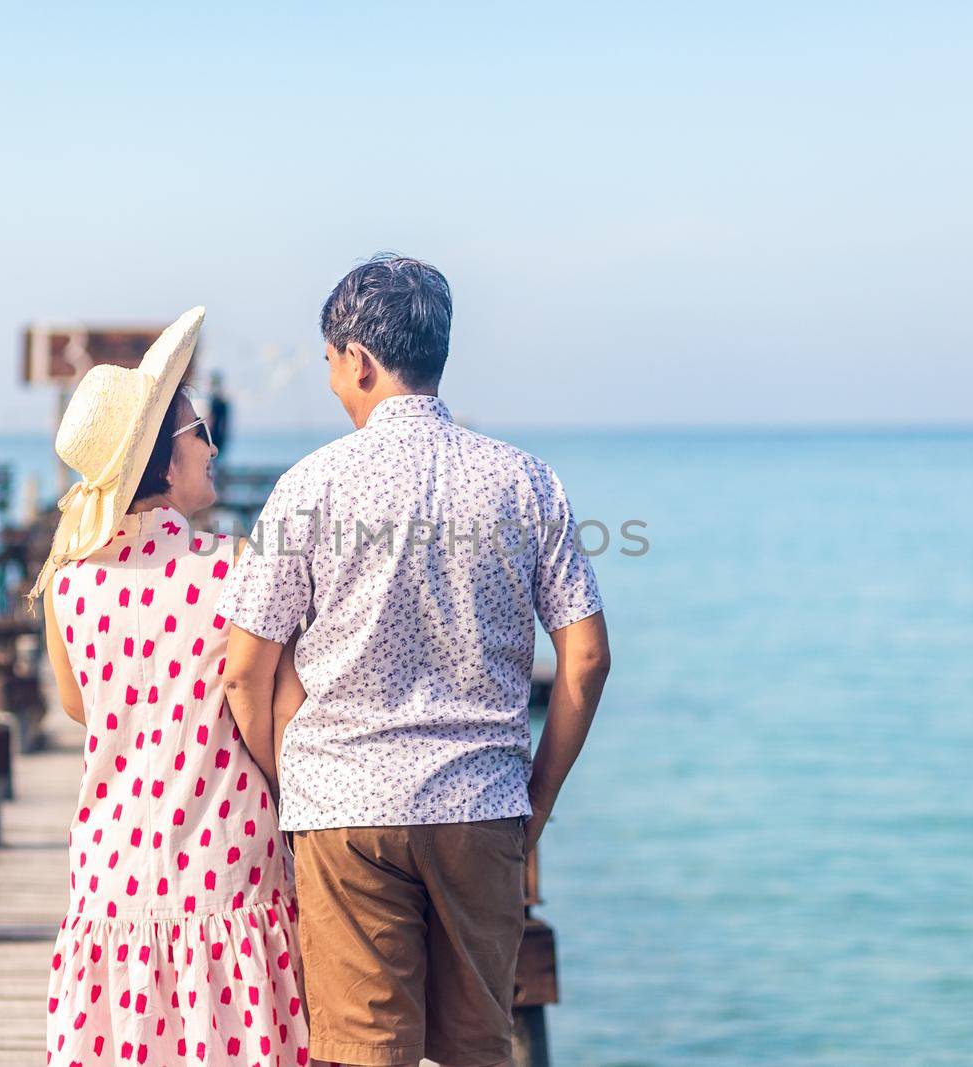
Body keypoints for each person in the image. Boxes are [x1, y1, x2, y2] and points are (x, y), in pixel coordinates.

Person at [217, 256, 612, 1067]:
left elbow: (243, 672)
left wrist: (295, 787)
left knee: (364, 1054)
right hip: (480, 802)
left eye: (330, 361)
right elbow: (588, 657)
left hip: (344, 809)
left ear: (358, 358)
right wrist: (535, 795)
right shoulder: (527, 482)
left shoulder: (309, 487)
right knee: (477, 1049)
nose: (331, 379)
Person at [29, 307, 312, 1066]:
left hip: (113, 881)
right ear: (161, 458)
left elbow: (80, 706)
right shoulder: (233, 565)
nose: (213, 445)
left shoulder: (68, 583)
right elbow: (279, 714)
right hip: (227, 871)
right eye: (199, 432)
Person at [207, 370, 231, 456]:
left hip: (215, 436)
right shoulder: (221, 401)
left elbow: (211, 419)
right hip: (219, 436)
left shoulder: (216, 401)